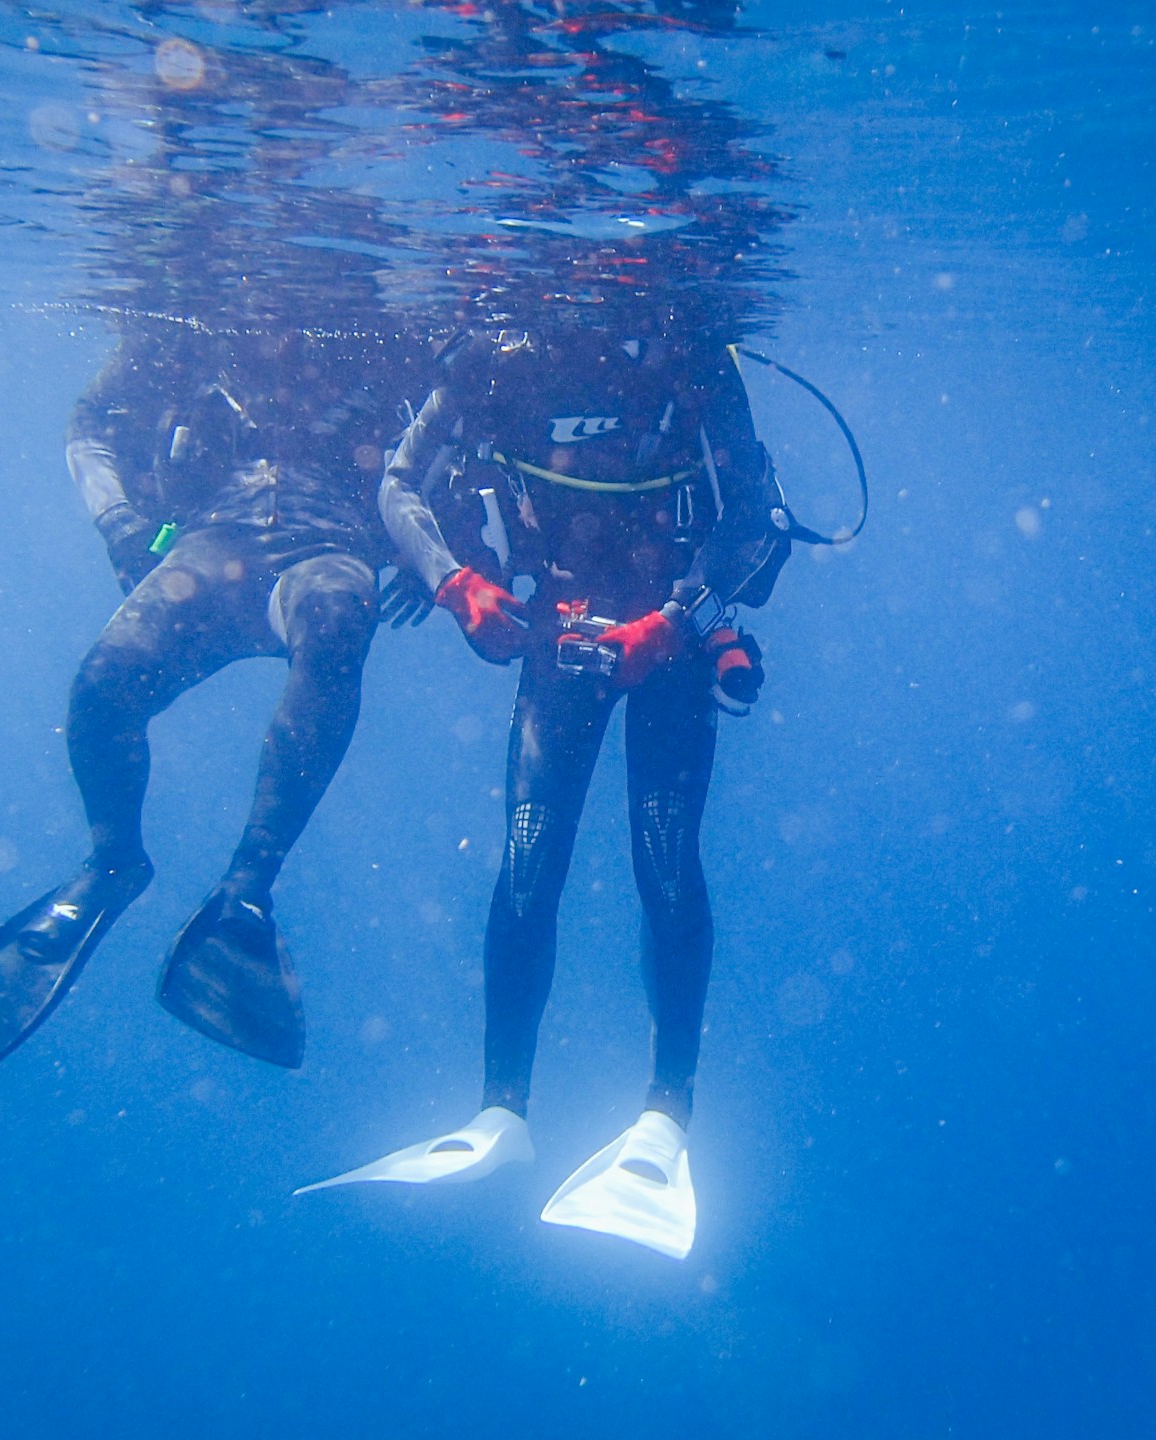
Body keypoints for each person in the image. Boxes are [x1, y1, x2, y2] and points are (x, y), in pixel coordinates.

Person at [297, 323, 791, 1259]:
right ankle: (499, 1112)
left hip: (671, 632)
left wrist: (682, 620)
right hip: (556, 622)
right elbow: (399, 483)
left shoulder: (689, 350)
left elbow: (753, 515)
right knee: (529, 860)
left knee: (666, 860)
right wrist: (453, 585)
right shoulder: (494, 350)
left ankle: (664, 1117)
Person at [0, 321, 412, 1081]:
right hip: (211, 544)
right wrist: (118, 525)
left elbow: (461, 435)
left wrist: (439, 550)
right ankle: (112, 862)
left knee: (337, 623)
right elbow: (92, 427)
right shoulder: (184, 312)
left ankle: (248, 888)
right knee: (104, 685)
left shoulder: (392, 328)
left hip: (330, 548)